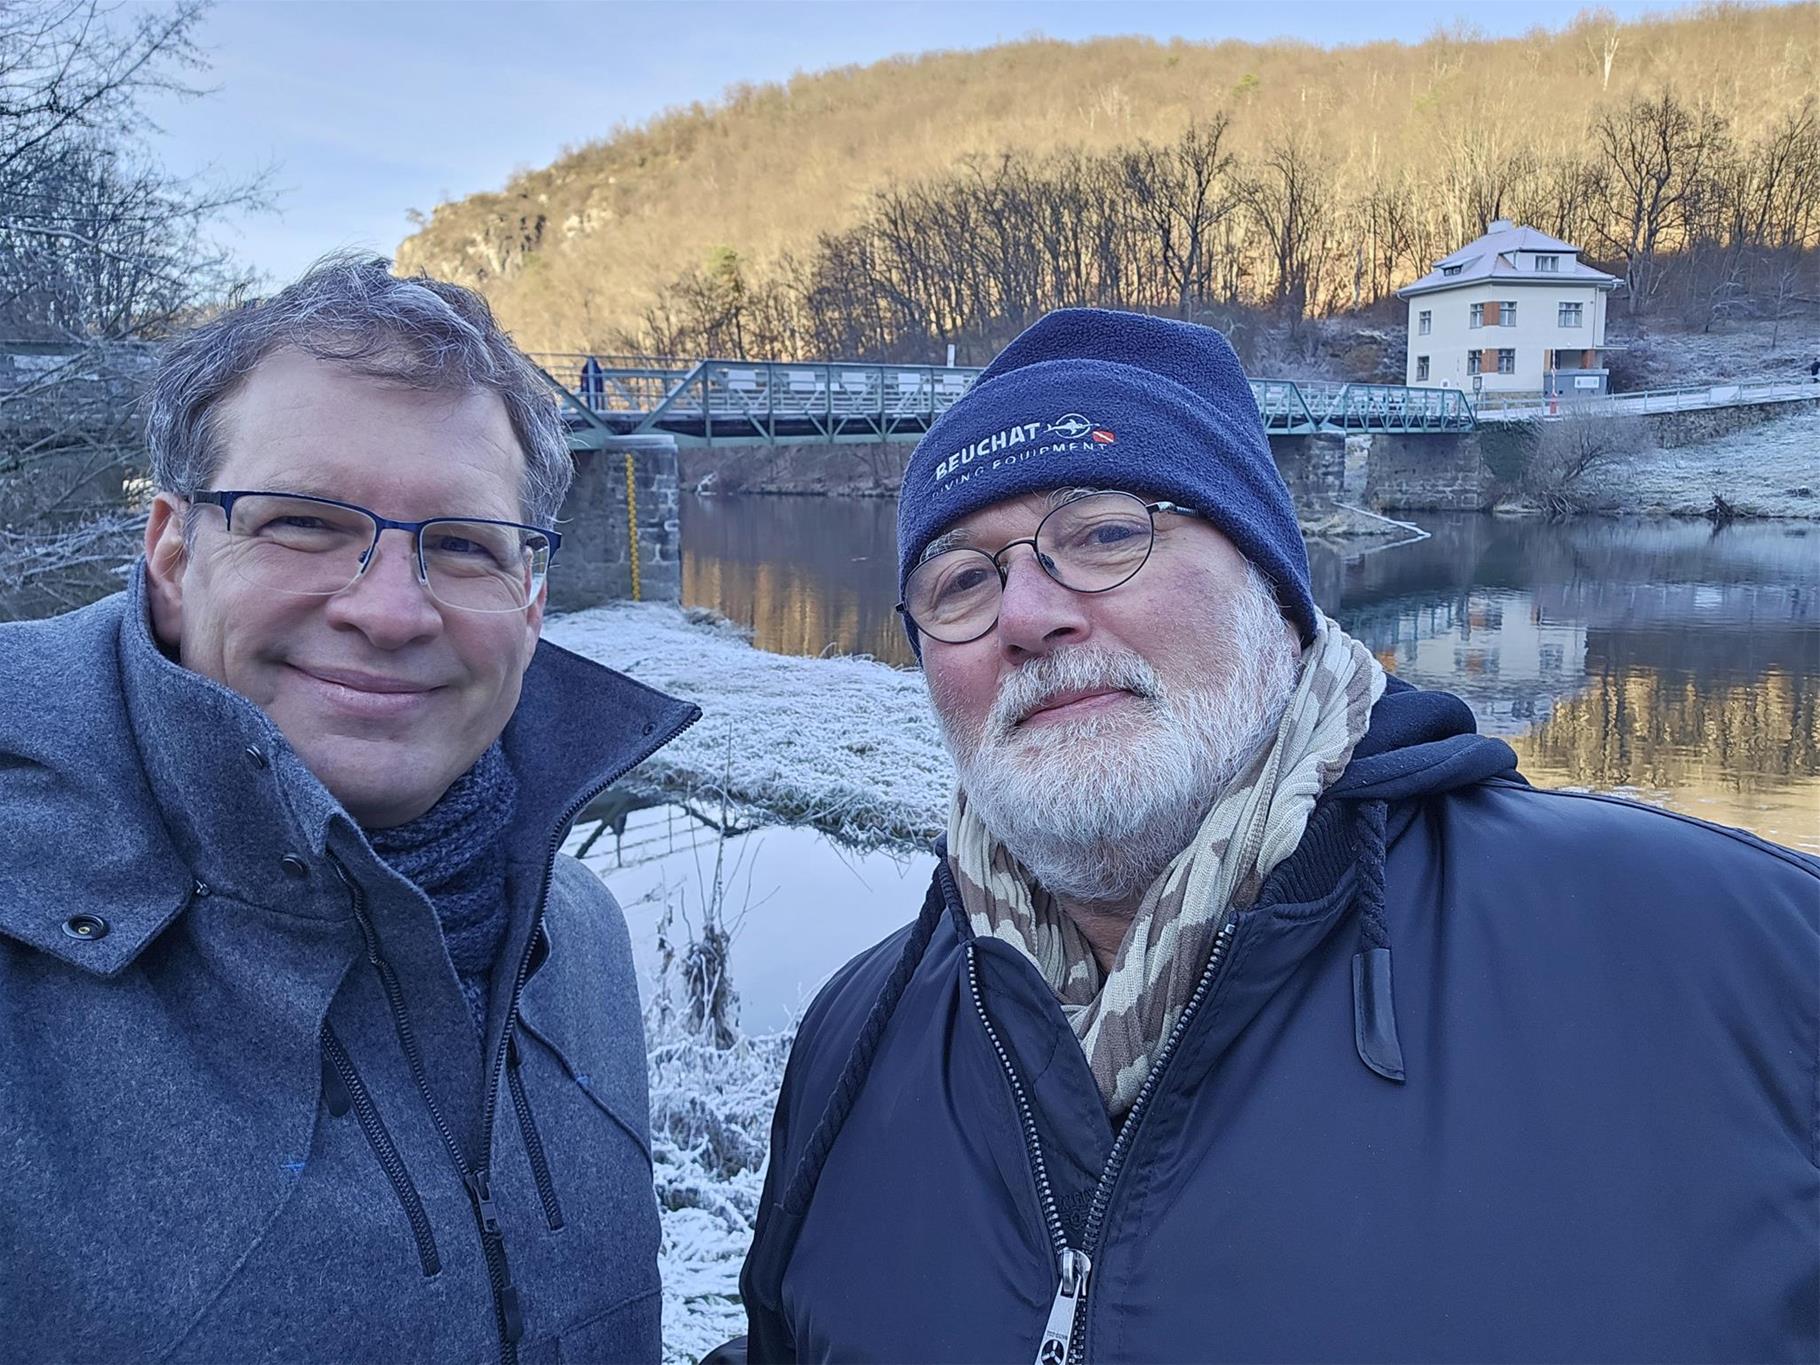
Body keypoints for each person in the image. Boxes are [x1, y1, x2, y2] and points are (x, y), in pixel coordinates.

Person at [732, 309, 1819, 1362]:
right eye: (960, 582)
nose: (1024, 615)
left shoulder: (1738, 965)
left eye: (1104, 534)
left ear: (1274, 590)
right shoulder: (855, 1043)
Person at [0, 257, 696, 1362]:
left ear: (531, 600)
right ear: (174, 553)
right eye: (302, 523)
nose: (388, 611)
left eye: (461, 544)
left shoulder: (579, 934)